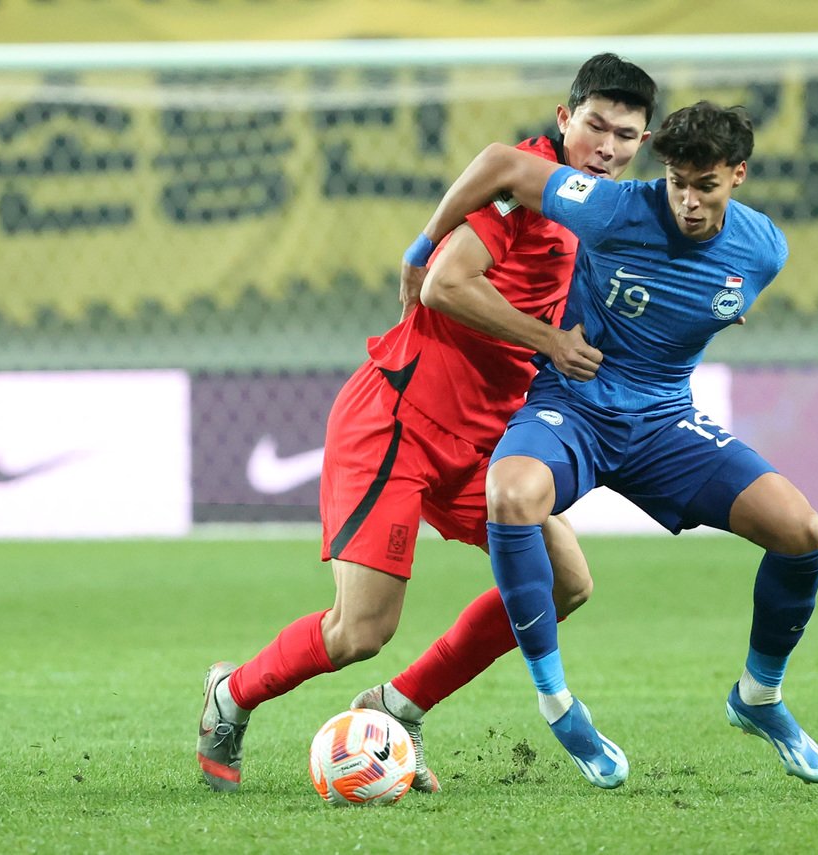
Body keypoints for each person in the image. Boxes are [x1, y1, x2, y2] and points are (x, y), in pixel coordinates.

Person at [196, 54, 658, 793]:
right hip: (399, 422)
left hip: (482, 441)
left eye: (625, 135)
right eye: (594, 126)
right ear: (565, 120)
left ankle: (399, 705)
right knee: (360, 631)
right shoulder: (526, 191)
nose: (605, 146)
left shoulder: (597, 208)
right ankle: (233, 694)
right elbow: (446, 285)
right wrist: (547, 340)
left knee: (564, 580)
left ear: (641, 144)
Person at [403, 101, 818, 789]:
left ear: (739, 176)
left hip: (664, 425)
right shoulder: (609, 207)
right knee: (510, 493)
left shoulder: (766, 249)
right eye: (678, 181)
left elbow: (728, 292)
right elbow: (502, 165)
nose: (689, 201)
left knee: (801, 530)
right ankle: (557, 703)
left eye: (707, 186)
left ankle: (759, 697)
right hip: (573, 404)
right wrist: (423, 249)